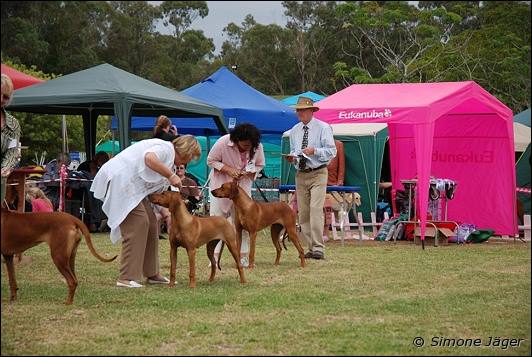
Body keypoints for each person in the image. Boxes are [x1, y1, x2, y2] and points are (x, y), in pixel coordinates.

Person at [90, 135, 201, 288]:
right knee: (139, 222)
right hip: (122, 181)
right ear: (186, 151)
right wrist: (170, 175)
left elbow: (154, 192)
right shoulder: (165, 149)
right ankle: (126, 277)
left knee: (151, 224)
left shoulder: (169, 157)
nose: (187, 162)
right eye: (189, 157)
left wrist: (166, 213)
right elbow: (149, 158)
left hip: (134, 188)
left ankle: (152, 273)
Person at [285, 97, 336, 260]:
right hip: (301, 174)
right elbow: (294, 151)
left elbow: (332, 151)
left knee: (315, 210)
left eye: (302, 110)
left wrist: (315, 151)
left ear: (311, 111)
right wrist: (293, 158)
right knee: (304, 213)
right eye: (298, 110)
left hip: (318, 172)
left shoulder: (323, 127)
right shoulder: (294, 130)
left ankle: (319, 248)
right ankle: (311, 247)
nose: (299, 113)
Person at [207, 123, 265, 268]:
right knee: (217, 221)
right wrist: (228, 170)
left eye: (249, 145)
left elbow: (260, 165)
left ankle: (243, 256)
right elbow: (210, 160)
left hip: (242, 190)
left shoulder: (258, 147)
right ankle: (213, 257)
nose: (246, 148)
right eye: (244, 144)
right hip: (221, 186)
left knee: (245, 223)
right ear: (236, 139)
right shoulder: (223, 142)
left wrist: (248, 173)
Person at [77, 151, 110, 232]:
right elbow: (93, 179)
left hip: (95, 190)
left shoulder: (100, 168)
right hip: (85, 191)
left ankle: (103, 220)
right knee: (96, 200)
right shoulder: (87, 166)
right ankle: (97, 221)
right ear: (98, 161)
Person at [1, 74, 21, 203]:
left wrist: (4, 169)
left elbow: (12, 151)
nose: (1, 99)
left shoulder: (13, 124)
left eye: (6, 96)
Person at [324, 139, 345, 238]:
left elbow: (341, 164)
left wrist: (340, 180)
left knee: (333, 207)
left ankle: (330, 228)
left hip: (332, 183)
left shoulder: (338, 144)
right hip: (318, 182)